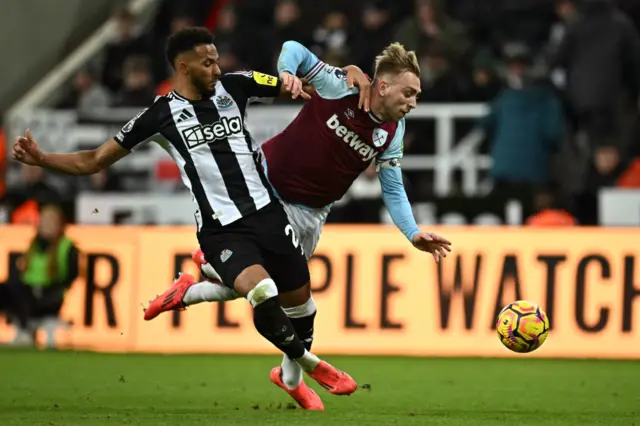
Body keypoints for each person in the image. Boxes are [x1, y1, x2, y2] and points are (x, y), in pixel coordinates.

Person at [12, 27, 372, 410]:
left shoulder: (237, 85)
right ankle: (311, 363)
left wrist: (345, 71)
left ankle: (284, 370)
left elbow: (302, 86)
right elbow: (94, 159)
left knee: (303, 307)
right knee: (262, 292)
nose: (217, 68)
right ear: (183, 67)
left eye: (217, 59)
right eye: (207, 62)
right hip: (222, 228)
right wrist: (43, 159)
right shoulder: (159, 115)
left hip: (269, 214)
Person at [144, 40, 452, 409]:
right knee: (281, 294)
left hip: (312, 213)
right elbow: (293, 48)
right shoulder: (342, 86)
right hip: (264, 189)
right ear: (383, 86)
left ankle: (193, 290)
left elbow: (392, 186)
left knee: (281, 296)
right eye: (409, 92)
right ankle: (289, 374)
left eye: (417, 95)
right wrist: (288, 72)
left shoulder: (392, 131)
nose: (413, 102)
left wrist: (412, 232)